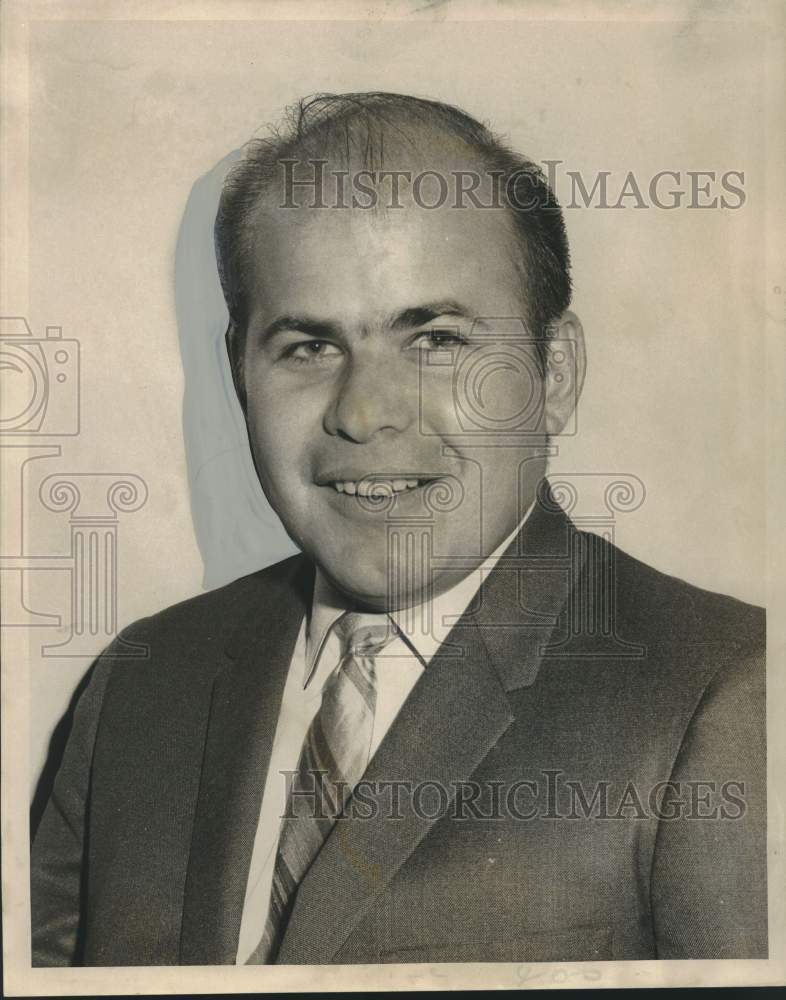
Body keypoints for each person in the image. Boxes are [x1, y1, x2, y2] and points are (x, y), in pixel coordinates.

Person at [31, 92, 766, 966]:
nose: (365, 414)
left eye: (438, 341)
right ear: (240, 375)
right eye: (308, 347)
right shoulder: (141, 685)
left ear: (555, 374)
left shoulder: (728, 694)